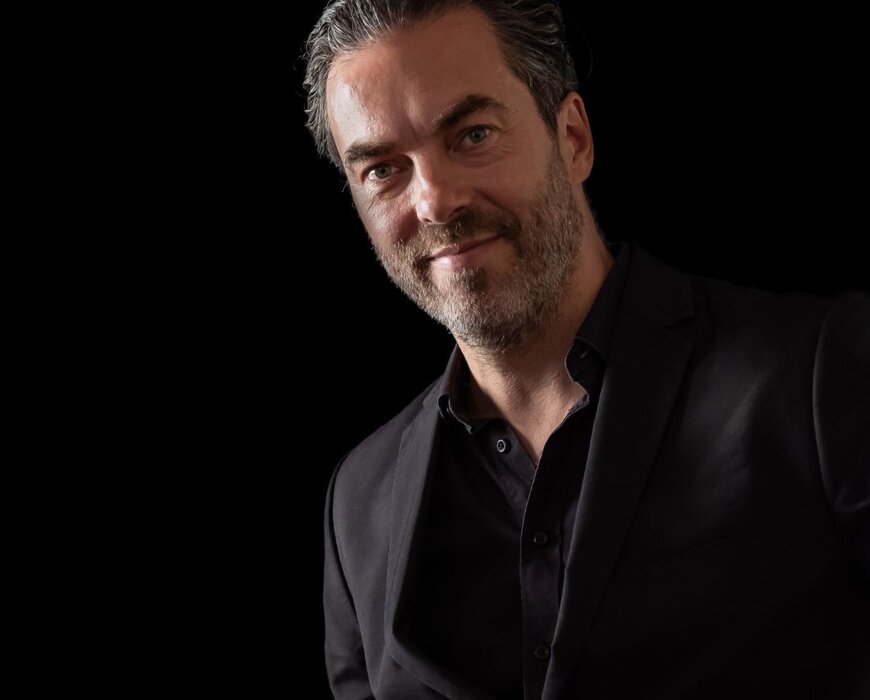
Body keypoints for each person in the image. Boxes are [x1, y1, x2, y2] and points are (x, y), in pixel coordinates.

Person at [302, 1, 870, 697]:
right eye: (383, 170)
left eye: (472, 134)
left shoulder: (817, 373)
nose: (436, 202)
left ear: (572, 137)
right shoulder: (357, 503)